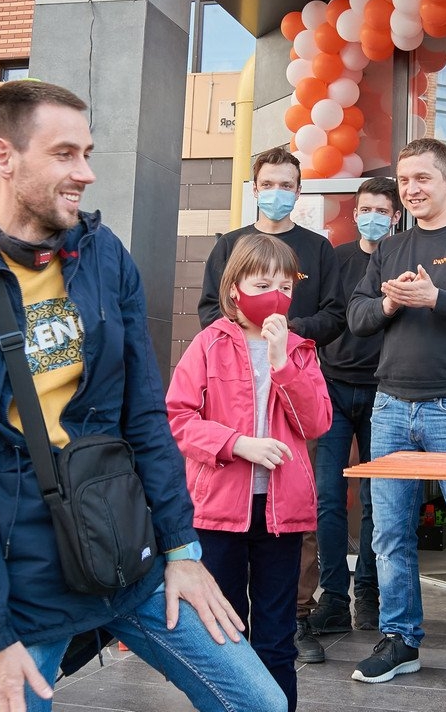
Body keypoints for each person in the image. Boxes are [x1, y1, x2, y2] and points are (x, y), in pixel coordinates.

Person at [0, 79, 285, 712]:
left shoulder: (105, 257)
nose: (87, 172)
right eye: (65, 154)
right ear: (3, 157)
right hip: (22, 582)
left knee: (260, 702)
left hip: (128, 551)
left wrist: (182, 550)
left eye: (88, 153)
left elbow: (146, 418)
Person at [347, 138, 446, 692]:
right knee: (389, 533)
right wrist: (390, 303)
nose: (411, 189)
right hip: (390, 405)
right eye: (404, 181)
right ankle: (400, 640)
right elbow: (358, 317)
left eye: (422, 178)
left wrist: (436, 298)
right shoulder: (391, 248)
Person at [168, 233, 331, 711]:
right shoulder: (208, 344)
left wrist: (283, 364)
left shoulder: (300, 349)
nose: (275, 295)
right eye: (262, 284)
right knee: (223, 630)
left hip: (283, 514)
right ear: (234, 288)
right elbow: (178, 418)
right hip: (218, 510)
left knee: (277, 636)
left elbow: (316, 423)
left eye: (286, 286)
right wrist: (237, 444)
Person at [197, 145, 345, 663]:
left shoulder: (317, 250)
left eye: (286, 185)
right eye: (268, 184)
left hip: (288, 441)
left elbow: (334, 316)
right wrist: (242, 339)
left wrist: (285, 341)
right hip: (222, 479)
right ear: (254, 188)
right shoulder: (229, 248)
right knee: (223, 617)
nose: (277, 192)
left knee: (295, 514)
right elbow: (180, 414)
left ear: (298, 191)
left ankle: (297, 619)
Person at [306, 178, 401, 637]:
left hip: (385, 390)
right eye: (365, 209)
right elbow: (323, 315)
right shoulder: (336, 257)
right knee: (328, 497)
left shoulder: (404, 256)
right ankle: (334, 597)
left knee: (376, 500)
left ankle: (368, 594)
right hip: (333, 388)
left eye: (382, 210)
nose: (372, 217)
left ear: (396, 216)